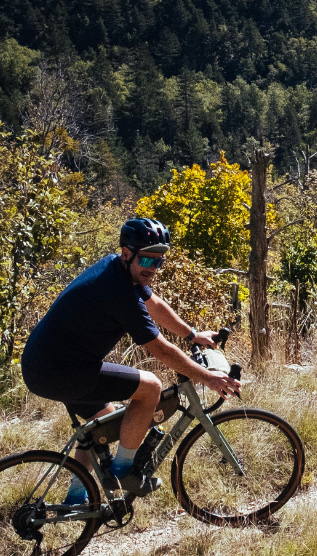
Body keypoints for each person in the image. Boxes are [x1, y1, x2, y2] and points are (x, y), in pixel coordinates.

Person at [21, 215, 241, 504]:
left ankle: (76, 497)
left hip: (46, 366)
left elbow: (155, 305)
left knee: (102, 423)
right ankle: (125, 472)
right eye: (147, 260)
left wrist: (192, 335)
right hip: (58, 371)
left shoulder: (118, 268)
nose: (153, 268)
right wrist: (208, 377)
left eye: (159, 262)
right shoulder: (119, 292)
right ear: (127, 253)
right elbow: (160, 350)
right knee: (150, 387)